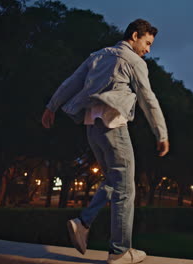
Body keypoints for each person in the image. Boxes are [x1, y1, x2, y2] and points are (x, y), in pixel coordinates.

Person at [41, 18, 169, 264]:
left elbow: (72, 82)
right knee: (125, 187)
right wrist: (161, 133)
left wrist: (51, 106)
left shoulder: (98, 55)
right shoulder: (133, 60)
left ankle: (83, 222)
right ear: (134, 36)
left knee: (113, 179)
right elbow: (148, 99)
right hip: (114, 127)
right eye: (147, 42)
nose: (148, 50)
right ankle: (120, 251)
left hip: (93, 129)